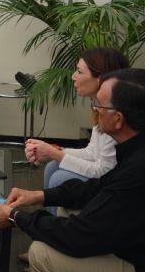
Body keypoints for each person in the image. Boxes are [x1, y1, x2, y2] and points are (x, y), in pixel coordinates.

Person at [0, 68, 145, 272]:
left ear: (118, 119)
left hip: (137, 267)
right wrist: (38, 196)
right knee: (62, 210)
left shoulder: (135, 172)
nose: (95, 109)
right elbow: (97, 187)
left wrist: (14, 217)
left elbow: (78, 236)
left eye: (99, 105)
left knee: (40, 253)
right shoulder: (134, 149)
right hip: (127, 240)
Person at [25, 48, 129, 194]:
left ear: (100, 79)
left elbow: (103, 171)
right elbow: (92, 152)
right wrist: (54, 151)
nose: (73, 76)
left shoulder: (113, 116)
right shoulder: (98, 106)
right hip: (104, 173)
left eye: (79, 72)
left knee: (59, 178)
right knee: (52, 167)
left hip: (114, 181)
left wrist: (54, 153)